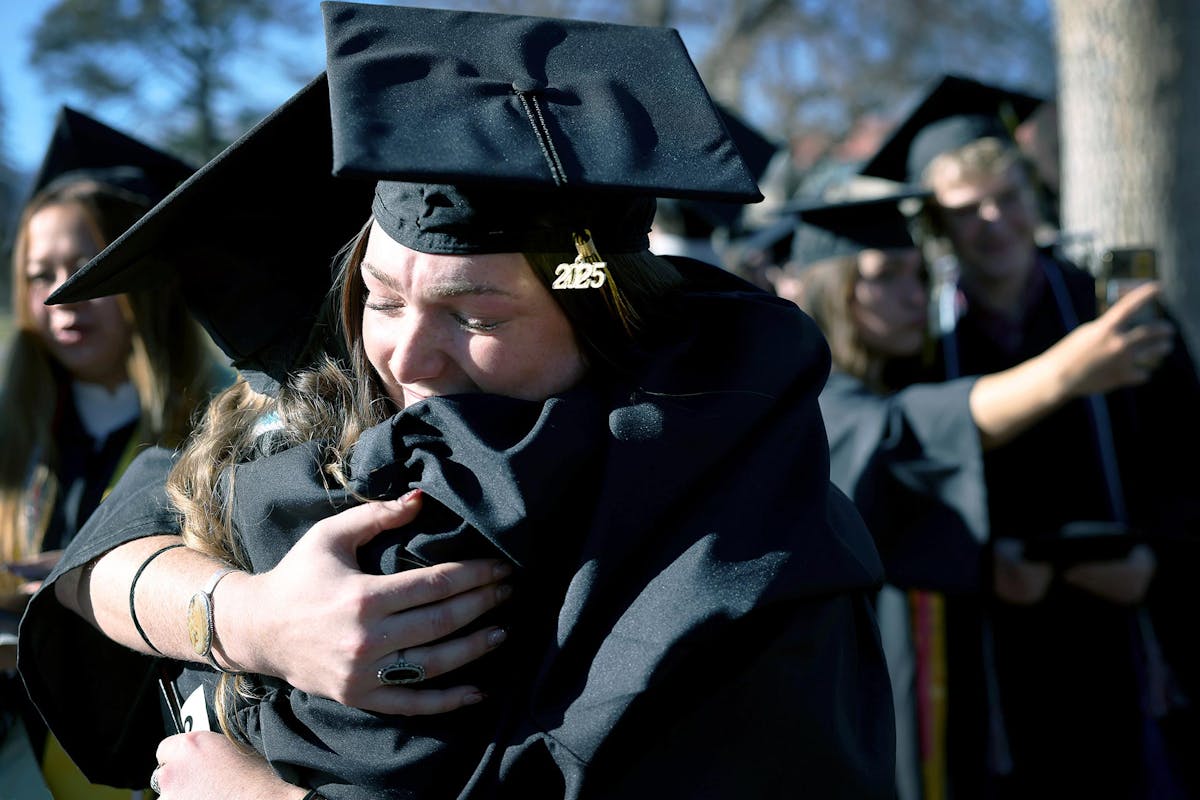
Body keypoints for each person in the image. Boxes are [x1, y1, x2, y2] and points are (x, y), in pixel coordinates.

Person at [20, 4, 897, 800]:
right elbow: (105, 556)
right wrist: (246, 619)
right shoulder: (325, 417)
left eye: (476, 313)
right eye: (384, 297)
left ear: (595, 306)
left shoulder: (748, 531)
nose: (407, 353)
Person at [860, 73, 1200, 799]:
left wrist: (1154, 561)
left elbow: (1188, 460)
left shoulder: (1111, 310)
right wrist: (983, 563)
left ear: (1032, 195)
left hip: (1121, 621)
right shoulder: (917, 341)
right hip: (985, 630)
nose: (994, 221)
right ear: (937, 225)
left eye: (1007, 198)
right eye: (966, 209)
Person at [786, 189, 1177, 800]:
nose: (915, 295)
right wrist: (1065, 372)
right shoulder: (813, 396)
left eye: (918, 274)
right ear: (830, 290)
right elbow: (902, 436)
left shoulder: (897, 372)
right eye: (886, 277)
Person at [0, 109, 229, 797]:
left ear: (146, 276)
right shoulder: (14, 443)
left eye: (89, 265)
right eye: (41, 274)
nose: (64, 293)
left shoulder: (224, 437)